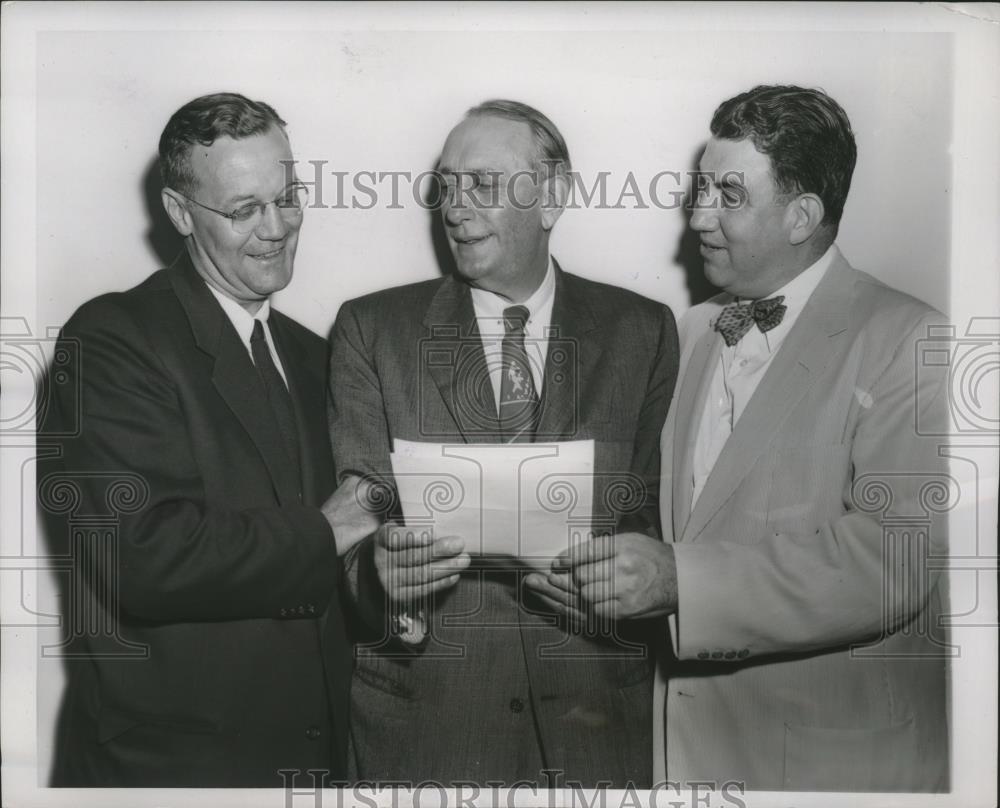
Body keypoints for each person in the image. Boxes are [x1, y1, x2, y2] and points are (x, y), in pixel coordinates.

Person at [549, 85, 950, 791]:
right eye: (701, 189)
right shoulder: (692, 330)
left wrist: (679, 581)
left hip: (832, 771)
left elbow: (895, 560)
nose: (698, 216)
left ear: (803, 216)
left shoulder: (911, 339)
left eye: (728, 194)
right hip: (685, 762)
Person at [328, 99, 679, 786]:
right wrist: (382, 579)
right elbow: (349, 528)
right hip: (427, 728)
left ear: (552, 198)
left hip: (595, 725)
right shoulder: (371, 330)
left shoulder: (643, 330)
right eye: (447, 187)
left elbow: (647, 514)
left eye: (482, 184)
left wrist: (620, 587)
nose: (456, 209)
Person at [42, 93, 373, 786]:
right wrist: (323, 532)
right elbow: (142, 556)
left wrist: (394, 592)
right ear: (180, 213)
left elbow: (341, 579)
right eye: (245, 208)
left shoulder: (319, 356)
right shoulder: (111, 339)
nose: (278, 227)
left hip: (316, 767)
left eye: (289, 198)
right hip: (171, 773)